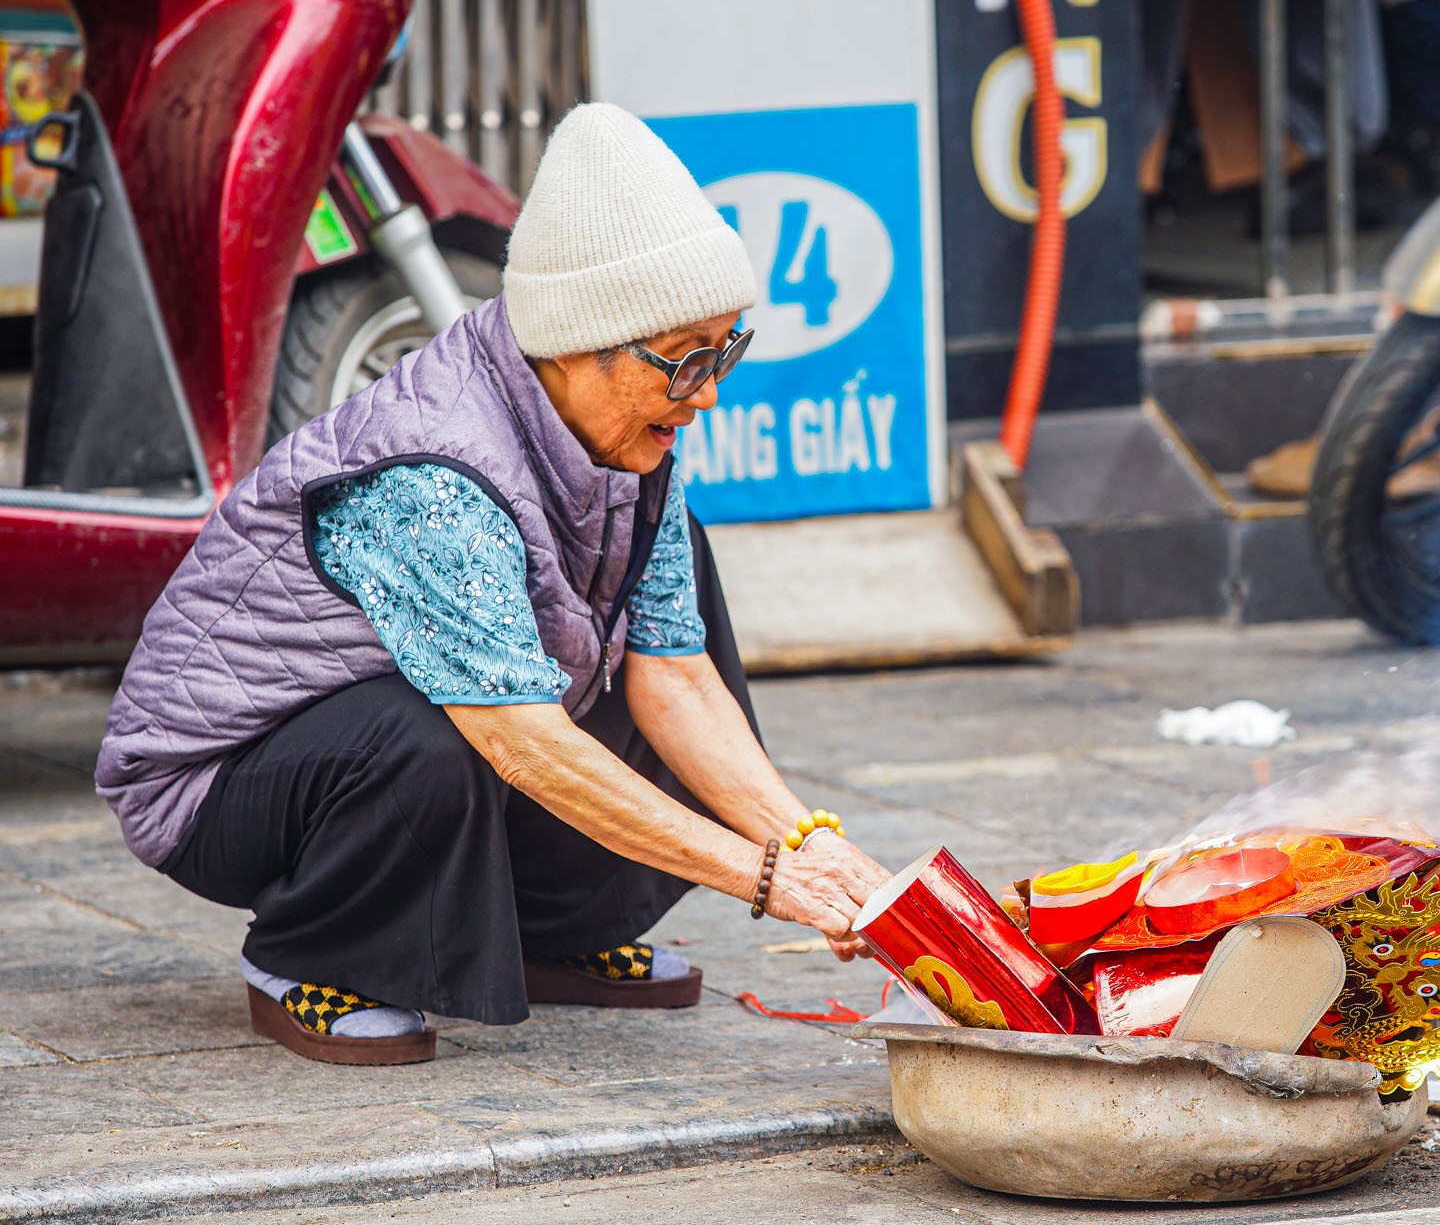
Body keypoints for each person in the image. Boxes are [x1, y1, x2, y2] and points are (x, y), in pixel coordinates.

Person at [94, 104, 891, 1065]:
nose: (709, 390)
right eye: (684, 358)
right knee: (432, 733)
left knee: (663, 611)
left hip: (453, 724)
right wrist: (764, 880)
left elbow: (674, 676)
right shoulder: (436, 475)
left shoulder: (642, 441)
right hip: (218, 785)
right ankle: (307, 951)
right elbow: (523, 744)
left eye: (726, 349)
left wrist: (812, 848)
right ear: (573, 343)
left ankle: (547, 933)